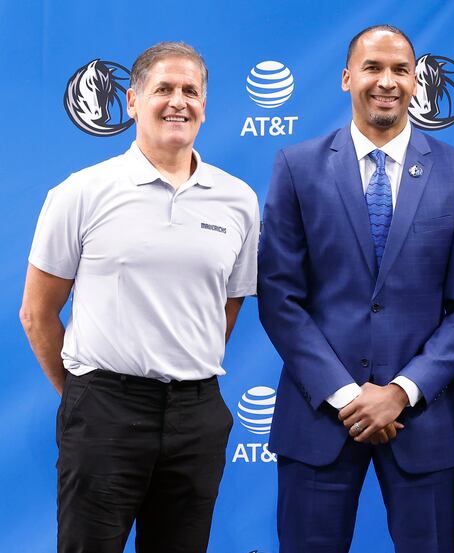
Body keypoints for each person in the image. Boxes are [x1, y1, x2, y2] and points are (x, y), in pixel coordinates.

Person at [257, 24, 454, 553]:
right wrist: (349, 397)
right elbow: (280, 299)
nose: (386, 81)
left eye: (400, 70)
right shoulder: (296, 167)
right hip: (319, 417)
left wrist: (399, 393)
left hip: (424, 423)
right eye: (373, 68)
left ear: (415, 82)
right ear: (346, 78)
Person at [19, 42, 259, 553]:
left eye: (190, 91)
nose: (178, 101)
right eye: (163, 89)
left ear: (204, 104)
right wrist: (86, 396)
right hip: (103, 409)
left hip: (198, 414)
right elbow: (37, 314)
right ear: (132, 101)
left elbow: (230, 300)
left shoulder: (238, 199)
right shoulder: (81, 193)